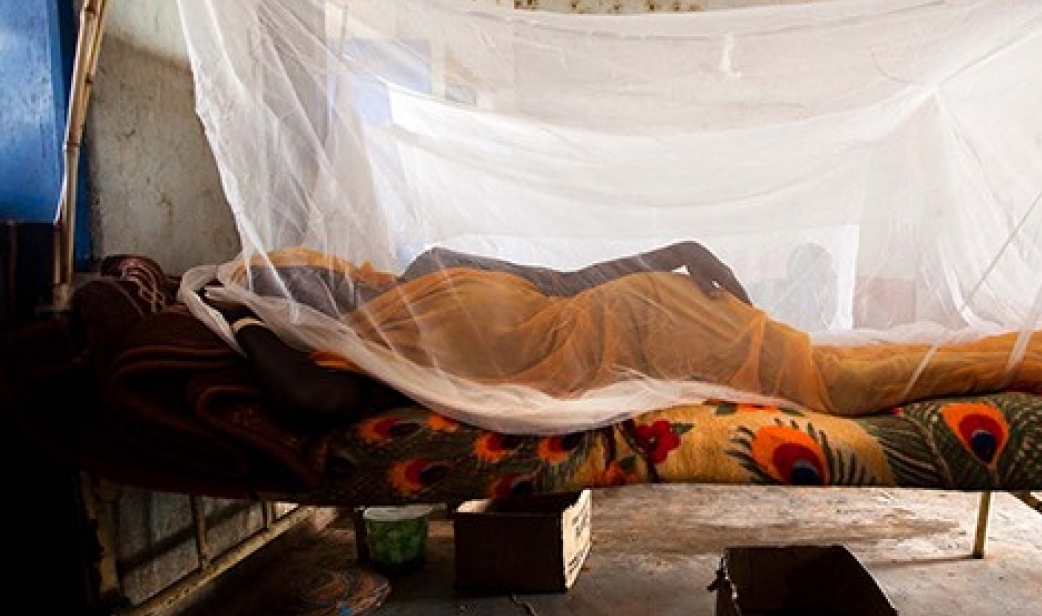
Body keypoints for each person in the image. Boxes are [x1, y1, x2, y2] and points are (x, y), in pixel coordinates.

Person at [208, 240, 1041, 429]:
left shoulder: (430, 266)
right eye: (297, 291)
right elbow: (310, 401)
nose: (323, 287)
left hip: (655, 311)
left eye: (313, 277)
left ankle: (1017, 355)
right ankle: (1019, 353)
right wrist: (237, 318)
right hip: (650, 337)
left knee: (832, 374)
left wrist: (673, 249)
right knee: (833, 374)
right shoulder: (357, 352)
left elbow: (565, 280)